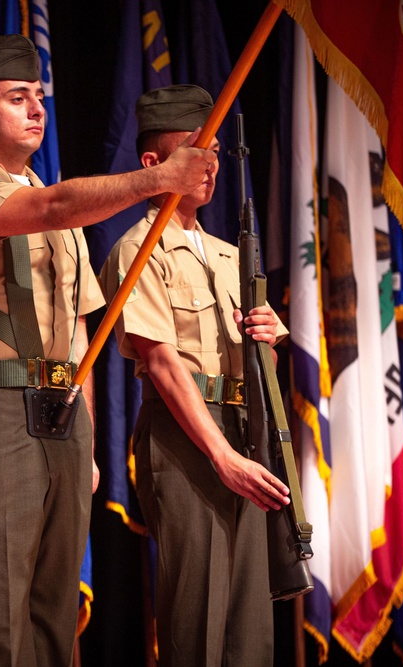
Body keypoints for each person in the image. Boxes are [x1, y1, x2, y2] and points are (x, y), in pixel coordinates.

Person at [0, 35, 217, 666]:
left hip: (60, 413)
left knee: (57, 609)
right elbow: (49, 207)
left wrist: (80, 426)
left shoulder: (62, 214)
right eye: (15, 97)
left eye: (38, 97)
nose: (35, 110)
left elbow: (79, 329)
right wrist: (159, 178)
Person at [98, 84, 291, 667]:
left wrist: (264, 344)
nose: (208, 166)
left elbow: (270, 366)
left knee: (250, 627)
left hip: (244, 428)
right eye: (193, 149)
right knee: (197, 623)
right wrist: (221, 457)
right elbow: (159, 362)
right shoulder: (137, 249)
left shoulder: (233, 255)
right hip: (188, 438)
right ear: (155, 164)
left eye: (212, 152)